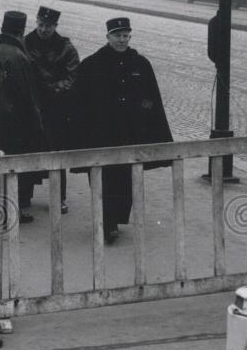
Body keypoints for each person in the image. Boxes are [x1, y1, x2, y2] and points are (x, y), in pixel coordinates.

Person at [72, 17, 172, 244]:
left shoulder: (141, 64)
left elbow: (151, 98)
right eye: (117, 35)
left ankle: (116, 219)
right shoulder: (92, 64)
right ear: (108, 37)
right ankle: (107, 223)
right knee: (101, 179)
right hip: (101, 137)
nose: (122, 40)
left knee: (126, 180)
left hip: (129, 135)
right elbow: (79, 103)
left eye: (125, 36)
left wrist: (145, 114)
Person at [0, 10, 45, 230]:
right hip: (13, 124)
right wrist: (37, 125)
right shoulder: (18, 57)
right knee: (10, 170)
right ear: (21, 31)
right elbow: (27, 95)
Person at [23, 5, 80, 214]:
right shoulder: (27, 42)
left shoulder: (65, 47)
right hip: (33, 106)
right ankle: (24, 196)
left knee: (56, 153)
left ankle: (59, 198)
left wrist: (56, 89)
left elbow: (73, 75)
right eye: (40, 24)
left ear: (55, 26)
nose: (43, 29)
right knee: (28, 150)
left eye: (48, 26)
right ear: (36, 22)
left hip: (56, 107)